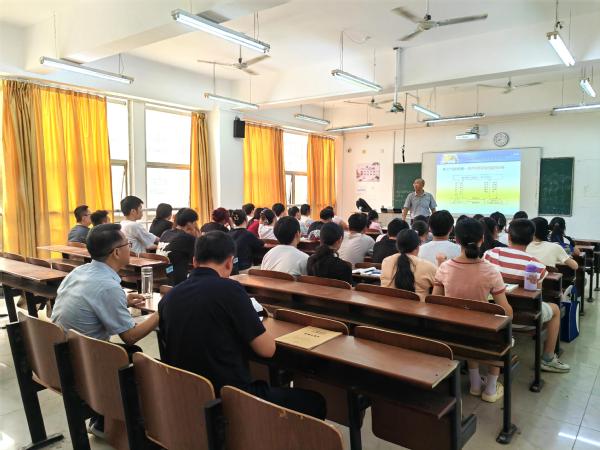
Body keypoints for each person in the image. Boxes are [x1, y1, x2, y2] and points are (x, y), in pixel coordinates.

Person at [158, 231, 326, 419]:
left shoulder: (169, 297)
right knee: (315, 401)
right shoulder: (229, 289)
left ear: (195, 261)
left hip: (188, 397)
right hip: (232, 399)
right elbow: (267, 350)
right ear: (230, 262)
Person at [52, 223, 159, 438]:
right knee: (137, 357)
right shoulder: (107, 286)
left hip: (63, 352)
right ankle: (125, 424)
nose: (130, 248)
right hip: (83, 360)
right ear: (116, 252)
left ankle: (103, 419)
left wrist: (123, 300)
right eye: (128, 244)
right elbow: (129, 336)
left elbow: (92, 300)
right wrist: (161, 312)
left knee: (128, 354)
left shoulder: (80, 272)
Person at [433, 218, 513, 403]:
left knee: (469, 325)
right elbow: (506, 311)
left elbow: (434, 302)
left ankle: (475, 384)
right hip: (482, 334)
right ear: (482, 239)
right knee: (498, 331)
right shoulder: (491, 270)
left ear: (456, 240)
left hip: (451, 332)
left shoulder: (444, 267)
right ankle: (491, 389)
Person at [484, 219, 570, 373]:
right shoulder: (536, 265)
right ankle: (548, 358)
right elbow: (536, 295)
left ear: (509, 237)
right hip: (525, 320)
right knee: (556, 309)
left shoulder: (491, 254)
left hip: (490, 314)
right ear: (531, 239)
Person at [381, 229, 437, 301]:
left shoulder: (386, 261)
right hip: (418, 307)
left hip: (387, 305)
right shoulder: (428, 266)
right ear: (418, 246)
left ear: (397, 245)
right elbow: (440, 285)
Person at [157, 208, 200, 285]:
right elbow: (199, 259)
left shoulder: (166, 233)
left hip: (160, 276)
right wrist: (198, 236)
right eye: (195, 222)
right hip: (176, 281)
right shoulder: (187, 238)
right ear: (189, 224)